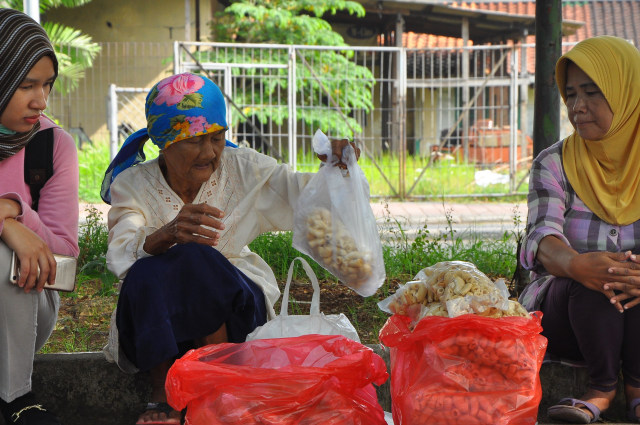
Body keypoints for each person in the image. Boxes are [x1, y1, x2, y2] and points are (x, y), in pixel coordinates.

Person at [101, 72, 359, 425]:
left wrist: (336, 167)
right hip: (159, 326)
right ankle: (164, 389)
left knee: (200, 257)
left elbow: (305, 196)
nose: (210, 153)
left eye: (218, 138)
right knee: (151, 265)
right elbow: (120, 254)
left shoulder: (244, 169)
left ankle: (213, 387)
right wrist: (166, 234)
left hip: (237, 315)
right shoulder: (132, 184)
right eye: (195, 142)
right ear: (165, 142)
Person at [519, 35, 640, 424]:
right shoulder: (553, 164)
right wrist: (576, 265)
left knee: (632, 280)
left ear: (626, 92)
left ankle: (637, 388)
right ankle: (602, 390)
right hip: (569, 313)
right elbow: (542, 239)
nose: (577, 107)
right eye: (570, 93)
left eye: (591, 92)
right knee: (591, 281)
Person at [0, 8, 79, 425]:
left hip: (26, 305)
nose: (40, 101)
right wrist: (4, 224)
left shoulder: (52, 147)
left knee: (5, 257)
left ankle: (15, 400)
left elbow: (63, 253)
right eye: (25, 85)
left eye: (47, 85)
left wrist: (17, 213)